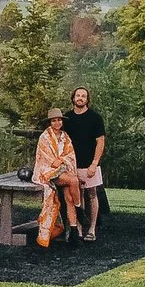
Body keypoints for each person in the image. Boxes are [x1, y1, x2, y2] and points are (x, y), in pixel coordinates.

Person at [61, 86, 107, 241]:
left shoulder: (95, 118)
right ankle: (78, 229)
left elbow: (100, 142)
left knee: (92, 194)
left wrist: (94, 163)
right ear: (73, 98)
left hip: (90, 164)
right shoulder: (66, 118)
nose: (80, 98)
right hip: (72, 165)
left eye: (83, 96)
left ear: (87, 100)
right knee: (77, 197)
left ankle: (92, 229)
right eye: (78, 95)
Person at [32, 106, 82, 248]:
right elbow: (48, 160)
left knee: (69, 197)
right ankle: (80, 210)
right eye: (54, 120)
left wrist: (62, 160)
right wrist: (61, 161)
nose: (57, 123)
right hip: (48, 173)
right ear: (50, 122)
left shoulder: (65, 137)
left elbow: (70, 155)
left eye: (59, 120)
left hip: (63, 170)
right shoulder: (45, 137)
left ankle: (73, 232)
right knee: (74, 180)